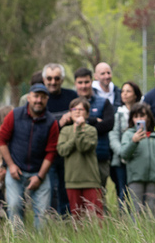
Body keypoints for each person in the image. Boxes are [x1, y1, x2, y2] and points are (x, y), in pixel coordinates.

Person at [0, 83, 58, 230]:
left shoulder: (51, 122)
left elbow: (51, 151)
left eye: (43, 97)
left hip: (39, 172)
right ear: (29, 98)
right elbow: (1, 140)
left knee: (43, 213)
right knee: (14, 206)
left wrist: (40, 176)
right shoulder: (14, 115)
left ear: (47, 100)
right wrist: (10, 165)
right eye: (36, 96)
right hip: (15, 171)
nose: (39, 100)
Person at [63, 67, 114, 191]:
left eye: (86, 82)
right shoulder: (70, 102)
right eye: (80, 83)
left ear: (92, 81)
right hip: (76, 158)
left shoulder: (104, 102)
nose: (83, 86)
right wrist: (96, 120)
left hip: (99, 157)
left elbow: (108, 124)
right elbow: (66, 125)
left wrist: (84, 121)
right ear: (75, 84)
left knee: (98, 196)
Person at [119, 102, 155, 214]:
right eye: (136, 117)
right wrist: (134, 141)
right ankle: (136, 232)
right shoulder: (128, 134)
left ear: (148, 118)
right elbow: (123, 154)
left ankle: (152, 232)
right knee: (136, 211)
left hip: (154, 179)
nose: (139, 119)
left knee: (152, 211)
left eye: (142, 116)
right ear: (132, 119)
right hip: (136, 179)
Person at [57, 98, 103, 219]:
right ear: (69, 113)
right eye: (74, 109)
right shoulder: (65, 131)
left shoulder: (91, 130)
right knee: (77, 216)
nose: (77, 112)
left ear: (87, 114)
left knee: (95, 215)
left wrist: (78, 130)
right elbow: (62, 150)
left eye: (81, 109)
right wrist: (76, 131)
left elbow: (83, 147)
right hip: (72, 180)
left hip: (90, 179)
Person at [42, 63, 78, 215]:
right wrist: (60, 123)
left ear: (62, 79)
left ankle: (67, 220)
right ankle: (50, 221)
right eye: (49, 78)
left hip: (68, 153)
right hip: (46, 153)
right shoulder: (40, 99)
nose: (53, 82)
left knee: (66, 189)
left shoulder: (72, 96)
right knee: (49, 190)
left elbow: (79, 117)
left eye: (56, 78)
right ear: (44, 80)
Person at [108, 81, 141, 207]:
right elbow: (113, 136)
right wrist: (122, 151)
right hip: (121, 161)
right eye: (123, 91)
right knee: (123, 192)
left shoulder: (143, 112)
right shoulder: (118, 114)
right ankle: (124, 220)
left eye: (128, 91)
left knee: (137, 192)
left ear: (135, 95)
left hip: (138, 159)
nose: (124, 94)